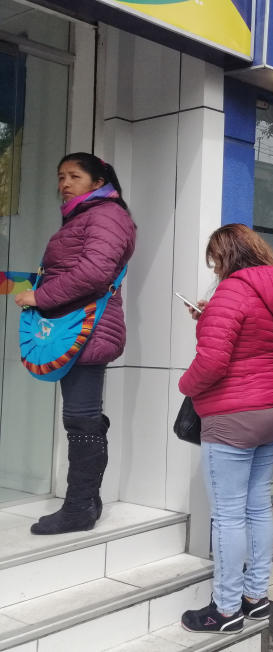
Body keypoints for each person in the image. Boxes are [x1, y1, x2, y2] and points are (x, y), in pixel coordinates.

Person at [178, 224, 273, 633]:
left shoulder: (231, 290)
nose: (213, 268)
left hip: (234, 415)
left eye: (214, 260)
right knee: (257, 505)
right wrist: (207, 317)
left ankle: (225, 610)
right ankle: (255, 598)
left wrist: (184, 386)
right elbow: (253, 340)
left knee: (227, 515)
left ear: (225, 256)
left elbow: (211, 363)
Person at [15, 153, 136, 536]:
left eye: (74, 176)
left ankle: (79, 507)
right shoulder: (87, 215)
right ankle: (88, 501)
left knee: (80, 419)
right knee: (85, 418)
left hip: (87, 327)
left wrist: (41, 297)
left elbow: (96, 273)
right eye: (60, 176)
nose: (64, 183)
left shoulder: (106, 215)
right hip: (78, 325)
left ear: (98, 181)